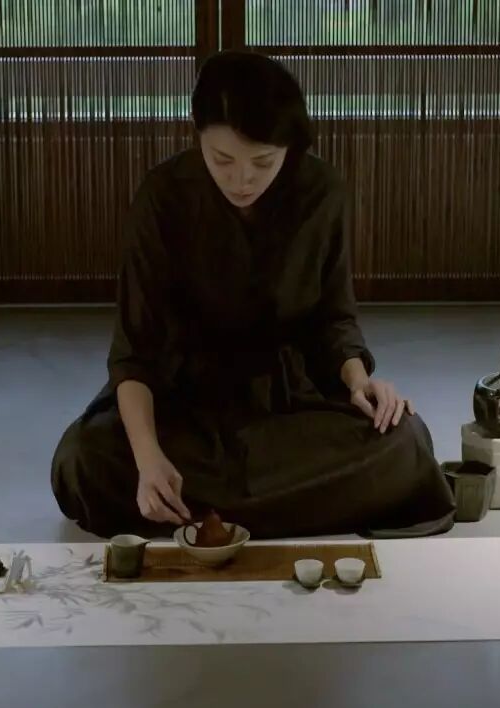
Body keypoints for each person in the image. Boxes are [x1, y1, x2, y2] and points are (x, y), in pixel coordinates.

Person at [51, 50, 455, 539]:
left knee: (406, 440)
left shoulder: (321, 192)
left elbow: (334, 319)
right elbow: (135, 352)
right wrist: (149, 458)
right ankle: (267, 505)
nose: (242, 180)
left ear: (288, 148)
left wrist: (358, 380)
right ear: (197, 135)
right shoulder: (163, 195)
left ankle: (205, 509)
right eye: (222, 159)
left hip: (286, 402)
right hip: (185, 401)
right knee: (84, 459)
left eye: (263, 162)